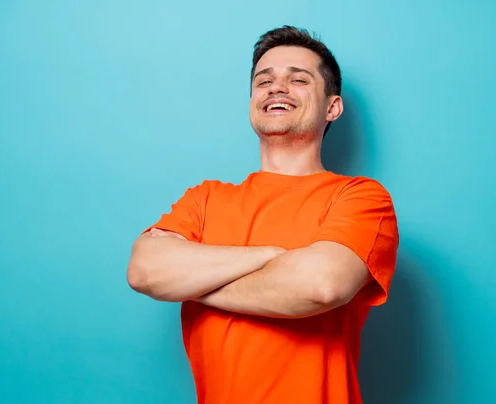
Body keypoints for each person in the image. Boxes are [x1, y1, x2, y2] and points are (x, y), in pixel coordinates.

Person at [127, 25, 400, 404]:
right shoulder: (204, 198)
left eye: (298, 80)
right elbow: (144, 271)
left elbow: (322, 285)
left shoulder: (360, 198)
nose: (276, 88)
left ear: (332, 107)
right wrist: (270, 256)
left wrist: (194, 284)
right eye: (264, 80)